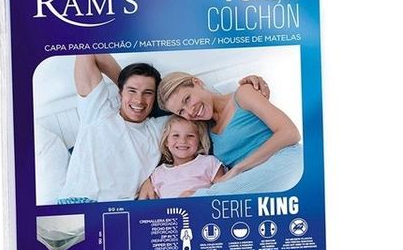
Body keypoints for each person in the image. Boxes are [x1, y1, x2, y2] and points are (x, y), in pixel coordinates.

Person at [55, 54, 268, 203]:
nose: (139, 100)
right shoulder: (98, 111)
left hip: (121, 210)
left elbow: (202, 109)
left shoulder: (161, 127)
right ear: (120, 92)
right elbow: (88, 52)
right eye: (132, 91)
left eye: (147, 93)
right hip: (76, 201)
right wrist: (127, 80)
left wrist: (249, 84)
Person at [154, 71, 301, 194]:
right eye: (181, 111)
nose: (190, 111)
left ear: (197, 82)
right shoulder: (204, 130)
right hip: (251, 182)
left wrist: (239, 169)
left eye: (187, 99)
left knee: (204, 199)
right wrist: (150, 181)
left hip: (286, 160)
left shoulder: (243, 94)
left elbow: (290, 133)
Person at [139, 117, 226, 199]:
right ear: (166, 142)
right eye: (176, 135)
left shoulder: (209, 162)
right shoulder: (158, 173)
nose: (183, 141)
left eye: (190, 136)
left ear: (199, 141)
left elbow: (225, 190)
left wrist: (198, 195)